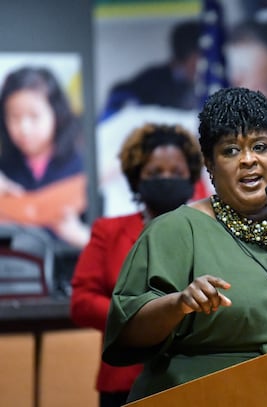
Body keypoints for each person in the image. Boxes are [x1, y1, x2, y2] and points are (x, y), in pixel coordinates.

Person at [101, 87, 267, 402]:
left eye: (260, 147)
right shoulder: (175, 232)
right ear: (209, 165)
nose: (248, 160)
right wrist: (179, 304)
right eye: (231, 151)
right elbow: (127, 333)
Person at [70, 123, 203, 407]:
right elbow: (81, 301)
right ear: (136, 177)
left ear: (191, 178)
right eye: (155, 173)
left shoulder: (208, 233)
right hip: (124, 380)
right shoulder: (109, 232)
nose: (166, 179)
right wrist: (139, 319)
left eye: (176, 172)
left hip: (192, 375)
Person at [0, 66, 89, 248]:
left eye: (34, 116)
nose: (24, 128)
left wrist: (79, 235)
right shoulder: (4, 169)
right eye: (14, 117)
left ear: (56, 113)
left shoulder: (81, 166)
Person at [99, 20, 202, 121]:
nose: (200, 69)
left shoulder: (200, 86)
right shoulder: (151, 83)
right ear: (179, 60)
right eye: (195, 63)